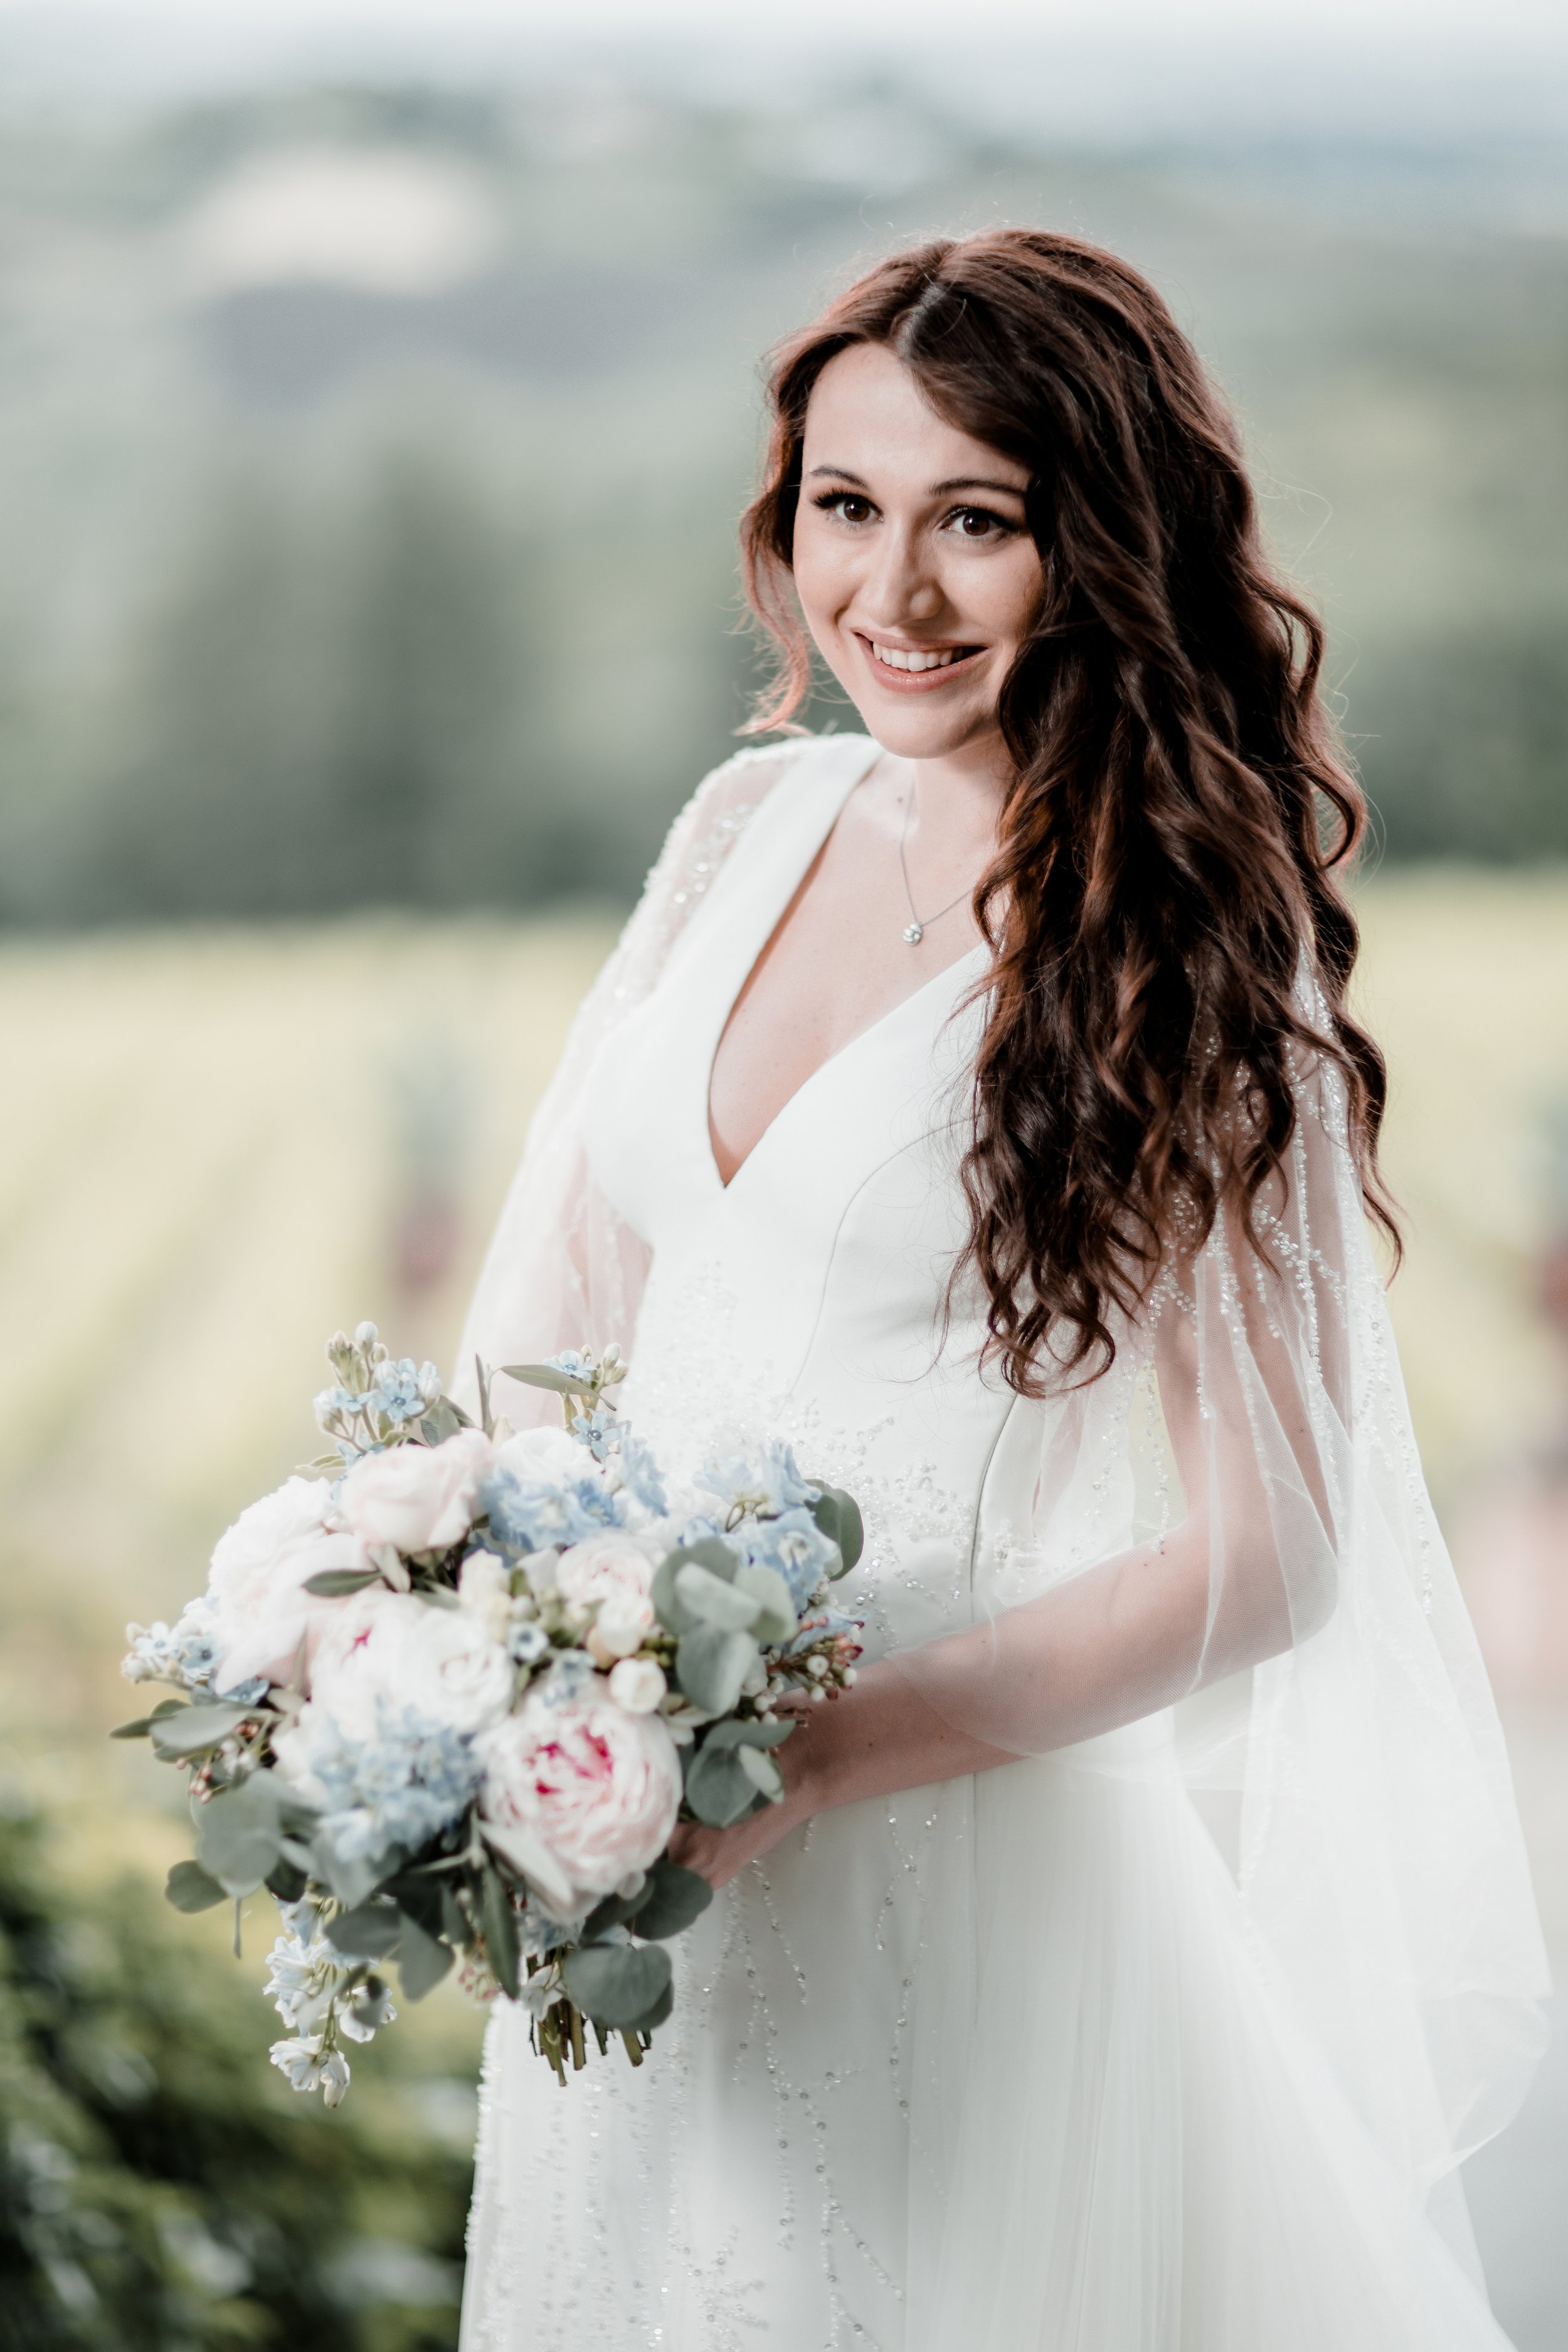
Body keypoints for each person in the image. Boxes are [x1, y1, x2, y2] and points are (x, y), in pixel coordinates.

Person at [457, 230, 1548, 2352]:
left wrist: (800, 1765)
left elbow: (1271, 1556)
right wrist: (477, 1669)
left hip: (950, 1884)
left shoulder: (1183, 950)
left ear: (1105, 543)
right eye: (845, 509)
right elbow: (540, 1338)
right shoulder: (741, 830)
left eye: (980, 521)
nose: (893, 593)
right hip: (618, 1855)